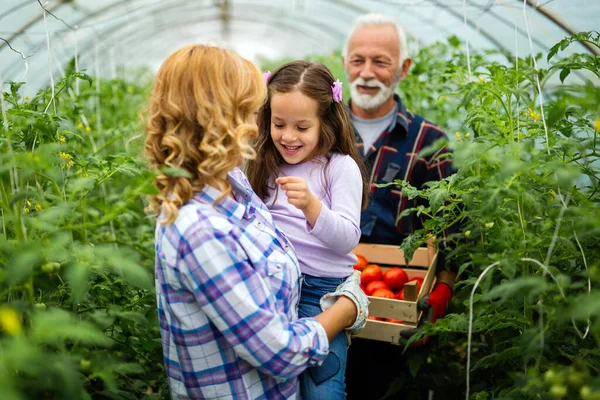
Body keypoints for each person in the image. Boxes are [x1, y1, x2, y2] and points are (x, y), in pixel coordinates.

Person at [143, 44, 368, 400]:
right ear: (217, 120)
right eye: (249, 112)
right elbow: (279, 352)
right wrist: (346, 308)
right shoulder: (200, 231)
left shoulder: (234, 186)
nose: (256, 126)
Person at [341, 14, 459, 400]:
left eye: (381, 61)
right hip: (324, 300)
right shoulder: (320, 131)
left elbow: (452, 228)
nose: (366, 73)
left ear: (404, 68)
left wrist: (443, 289)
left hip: (395, 304)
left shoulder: (430, 141)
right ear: (345, 64)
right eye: (358, 60)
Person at [246, 60, 370, 400]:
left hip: (323, 295)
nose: (288, 136)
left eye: (302, 127)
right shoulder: (264, 165)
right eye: (279, 123)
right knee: (276, 385)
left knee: (322, 390)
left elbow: (347, 237)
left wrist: (312, 207)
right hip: (274, 289)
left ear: (325, 122)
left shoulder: (339, 168)